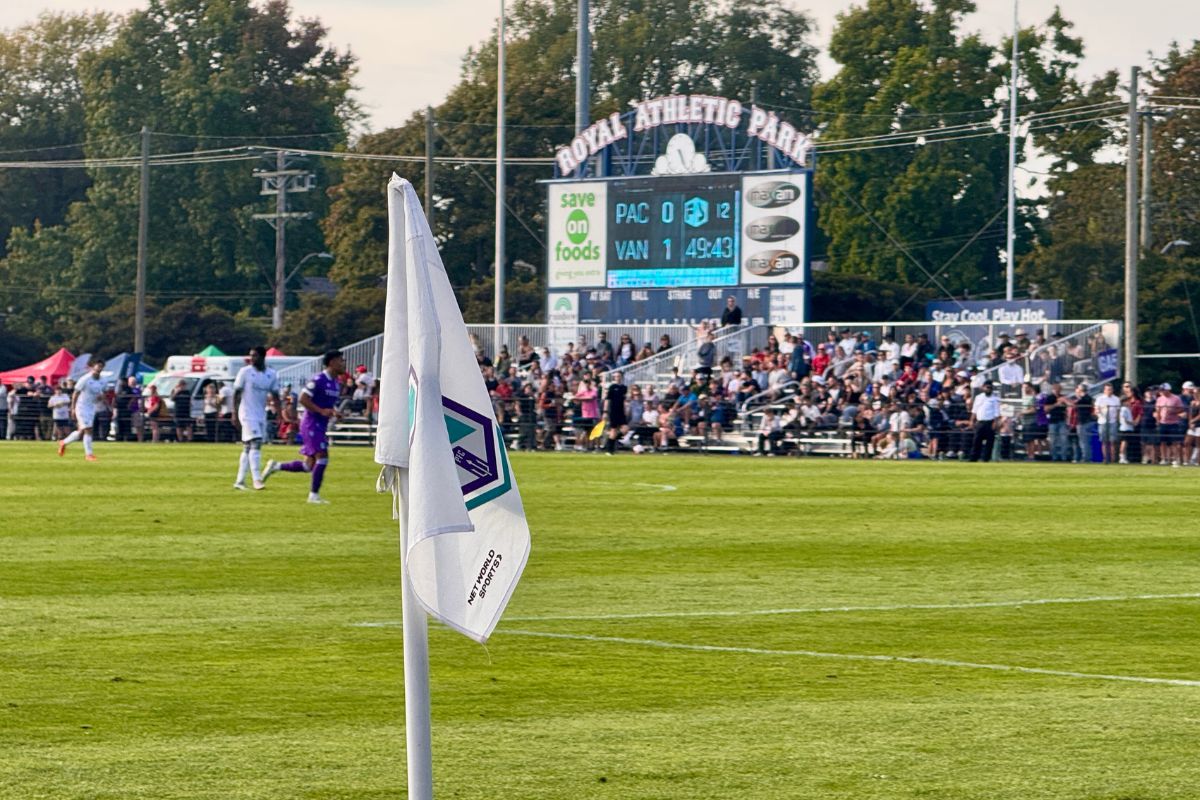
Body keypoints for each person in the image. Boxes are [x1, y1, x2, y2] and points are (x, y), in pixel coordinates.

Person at [263, 350, 345, 503]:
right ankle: (313, 495)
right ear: (332, 362)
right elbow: (303, 399)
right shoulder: (318, 379)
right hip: (311, 424)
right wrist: (321, 411)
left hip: (321, 424)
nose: (343, 363)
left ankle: (276, 466)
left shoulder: (335, 383)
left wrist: (334, 412)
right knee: (323, 456)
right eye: (341, 360)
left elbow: (325, 404)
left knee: (308, 466)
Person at [232, 346, 281, 491]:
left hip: (260, 414)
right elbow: (237, 393)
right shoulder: (245, 372)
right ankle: (257, 479)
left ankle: (239, 481)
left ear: (262, 357)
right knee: (256, 443)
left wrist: (279, 414)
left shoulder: (271, 374)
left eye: (255, 356)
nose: (252, 359)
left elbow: (276, 395)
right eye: (251, 356)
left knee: (247, 447)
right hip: (246, 413)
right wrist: (234, 413)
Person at [58, 357, 108, 461]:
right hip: (81, 407)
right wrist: (72, 408)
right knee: (88, 430)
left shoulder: (103, 380)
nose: (99, 369)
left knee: (81, 432)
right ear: (92, 367)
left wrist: (103, 400)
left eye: (101, 367)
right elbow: (76, 393)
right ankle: (89, 454)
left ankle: (64, 442)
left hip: (92, 407)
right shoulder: (85, 379)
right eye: (97, 367)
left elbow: (103, 392)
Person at [1154, 383, 1186, 467]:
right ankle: (1164, 459)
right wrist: (1158, 421)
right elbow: (1158, 410)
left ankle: (1175, 459)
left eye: (1163, 390)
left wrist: (1173, 412)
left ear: (1168, 390)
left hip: (1173, 423)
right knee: (1162, 441)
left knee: (1174, 442)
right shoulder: (1160, 399)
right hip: (1162, 423)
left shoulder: (1176, 398)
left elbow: (1181, 409)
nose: (1162, 392)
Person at [968, 381, 1000, 462]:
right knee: (976, 441)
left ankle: (986, 459)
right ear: (983, 387)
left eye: (990, 388)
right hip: (980, 422)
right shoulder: (978, 397)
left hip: (990, 422)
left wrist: (995, 422)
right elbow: (974, 410)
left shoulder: (995, 399)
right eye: (987, 387)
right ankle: (973, 458)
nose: (988, 389)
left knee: (989, 442)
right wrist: (972, 420)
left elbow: (996, 411)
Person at [602, 372, 628, 455]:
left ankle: (610, 443)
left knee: (625, 429)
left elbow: (624, 400)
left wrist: (625, 410)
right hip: (613, 411)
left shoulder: (624, 388)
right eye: (616, 376)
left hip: (621, 411)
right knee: (613, 430)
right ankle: (609, 449)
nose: (617, 378)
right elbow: (607, 399)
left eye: (619, 376)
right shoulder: (612, 387)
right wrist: (605, 411)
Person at [1095, 382, 1121, 464]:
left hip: (1112, 422)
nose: (1109, 391)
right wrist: (1100, 415)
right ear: (1104, 390)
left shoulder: (1116, 399)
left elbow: (1118, 411)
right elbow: (1096, 410)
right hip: (1102, 421)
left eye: (1110, 389)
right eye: (1107, 390)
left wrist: (1117, 420)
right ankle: (1105, 458)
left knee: (1112, 441)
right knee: (1104, 441)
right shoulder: (1100, 399)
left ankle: (1113, 459)